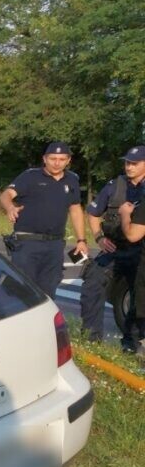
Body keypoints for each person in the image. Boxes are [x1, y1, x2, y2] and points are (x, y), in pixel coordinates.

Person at [0, 141, 88, 299]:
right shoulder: (30, 176)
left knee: (48, 291)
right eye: (53, 158)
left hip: (54, 244)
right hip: (28, 243)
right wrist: (10, 207)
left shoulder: (72, 180)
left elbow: (75, 209)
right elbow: (6, 194)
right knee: (23, 290)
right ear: (44, 159)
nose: (57, 163)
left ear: (68, 160)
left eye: (61, 159)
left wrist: (81, 240)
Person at [80, 146, 145, 350]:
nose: (129, 166)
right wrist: (99, 237)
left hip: (140, 251)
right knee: (93, 281)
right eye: (127, 162)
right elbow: (93, 213)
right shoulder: (114, 185)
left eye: (134, 163)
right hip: (114, 248)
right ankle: (91, 339)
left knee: (138, 294)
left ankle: (131, 344)